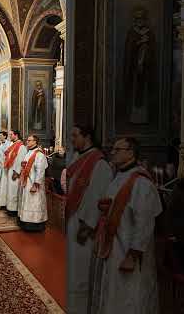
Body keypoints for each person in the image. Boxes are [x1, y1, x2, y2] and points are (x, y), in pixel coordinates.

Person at [90, 137, 162, 314]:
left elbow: (144, 222)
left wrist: (133, 254)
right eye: (113, 149)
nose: (112, 152)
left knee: (129, 297)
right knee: (112, 295)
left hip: (128, 251)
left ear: (131, 153)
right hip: (114, 245)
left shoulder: (141, 182)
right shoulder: (120, 175)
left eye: (117, 149)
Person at [65, 126, 113, 314]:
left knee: (81, 271)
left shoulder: (99, 163)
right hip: (73, 219)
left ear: (88, 137)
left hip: (83, 226)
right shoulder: (78, 157)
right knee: (72, 269)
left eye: (75, 136)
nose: (72, 139)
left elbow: (97, 196)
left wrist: (87, 225)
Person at [18, 135, 48, 231]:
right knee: (27, 203)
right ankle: (25, 223)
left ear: (35, 142)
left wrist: (36, 185)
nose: (27, 142)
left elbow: (40, 171)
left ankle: (35, 225)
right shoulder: (28, 153)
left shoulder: (39, 155)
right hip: (27, 182)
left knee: (35, 203)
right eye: (27, 140)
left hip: (34, 185)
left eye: (30, 140)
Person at [0, 130, 27, 216]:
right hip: (10, 169)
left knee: (14, 191)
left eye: (11, 134)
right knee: (9, 190)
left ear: (16, 135)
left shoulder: (21, 146)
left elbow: (21, 160)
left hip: (15, 172)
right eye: (9, 135)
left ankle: (14, 210)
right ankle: (9, 207)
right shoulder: (12, 144)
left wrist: (16, 172)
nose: (9, 136)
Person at [0, 131, 9, 207]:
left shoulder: (8, 144)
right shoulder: (1, 144)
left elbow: (7, 156)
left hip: (4, 167)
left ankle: (3, 200)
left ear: (5, 136)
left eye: (1, 135)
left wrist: (1, 161)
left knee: (3, 183)